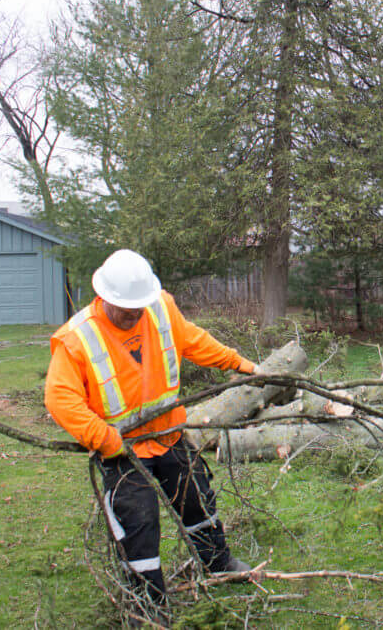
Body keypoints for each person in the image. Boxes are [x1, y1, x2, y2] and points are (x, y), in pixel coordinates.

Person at [45, 249, 258, 614]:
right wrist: (104, 439)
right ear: (105, 297)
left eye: (138, 307)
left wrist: (238, 363)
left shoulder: (159, 307)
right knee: (139, 525)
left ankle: (218, 564)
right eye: (126, 308)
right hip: (123, 453)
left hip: (170, 435)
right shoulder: (77, 338)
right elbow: (60, 398)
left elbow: (192, 339)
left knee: (198, 501)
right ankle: (149, 603)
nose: (134, 314)